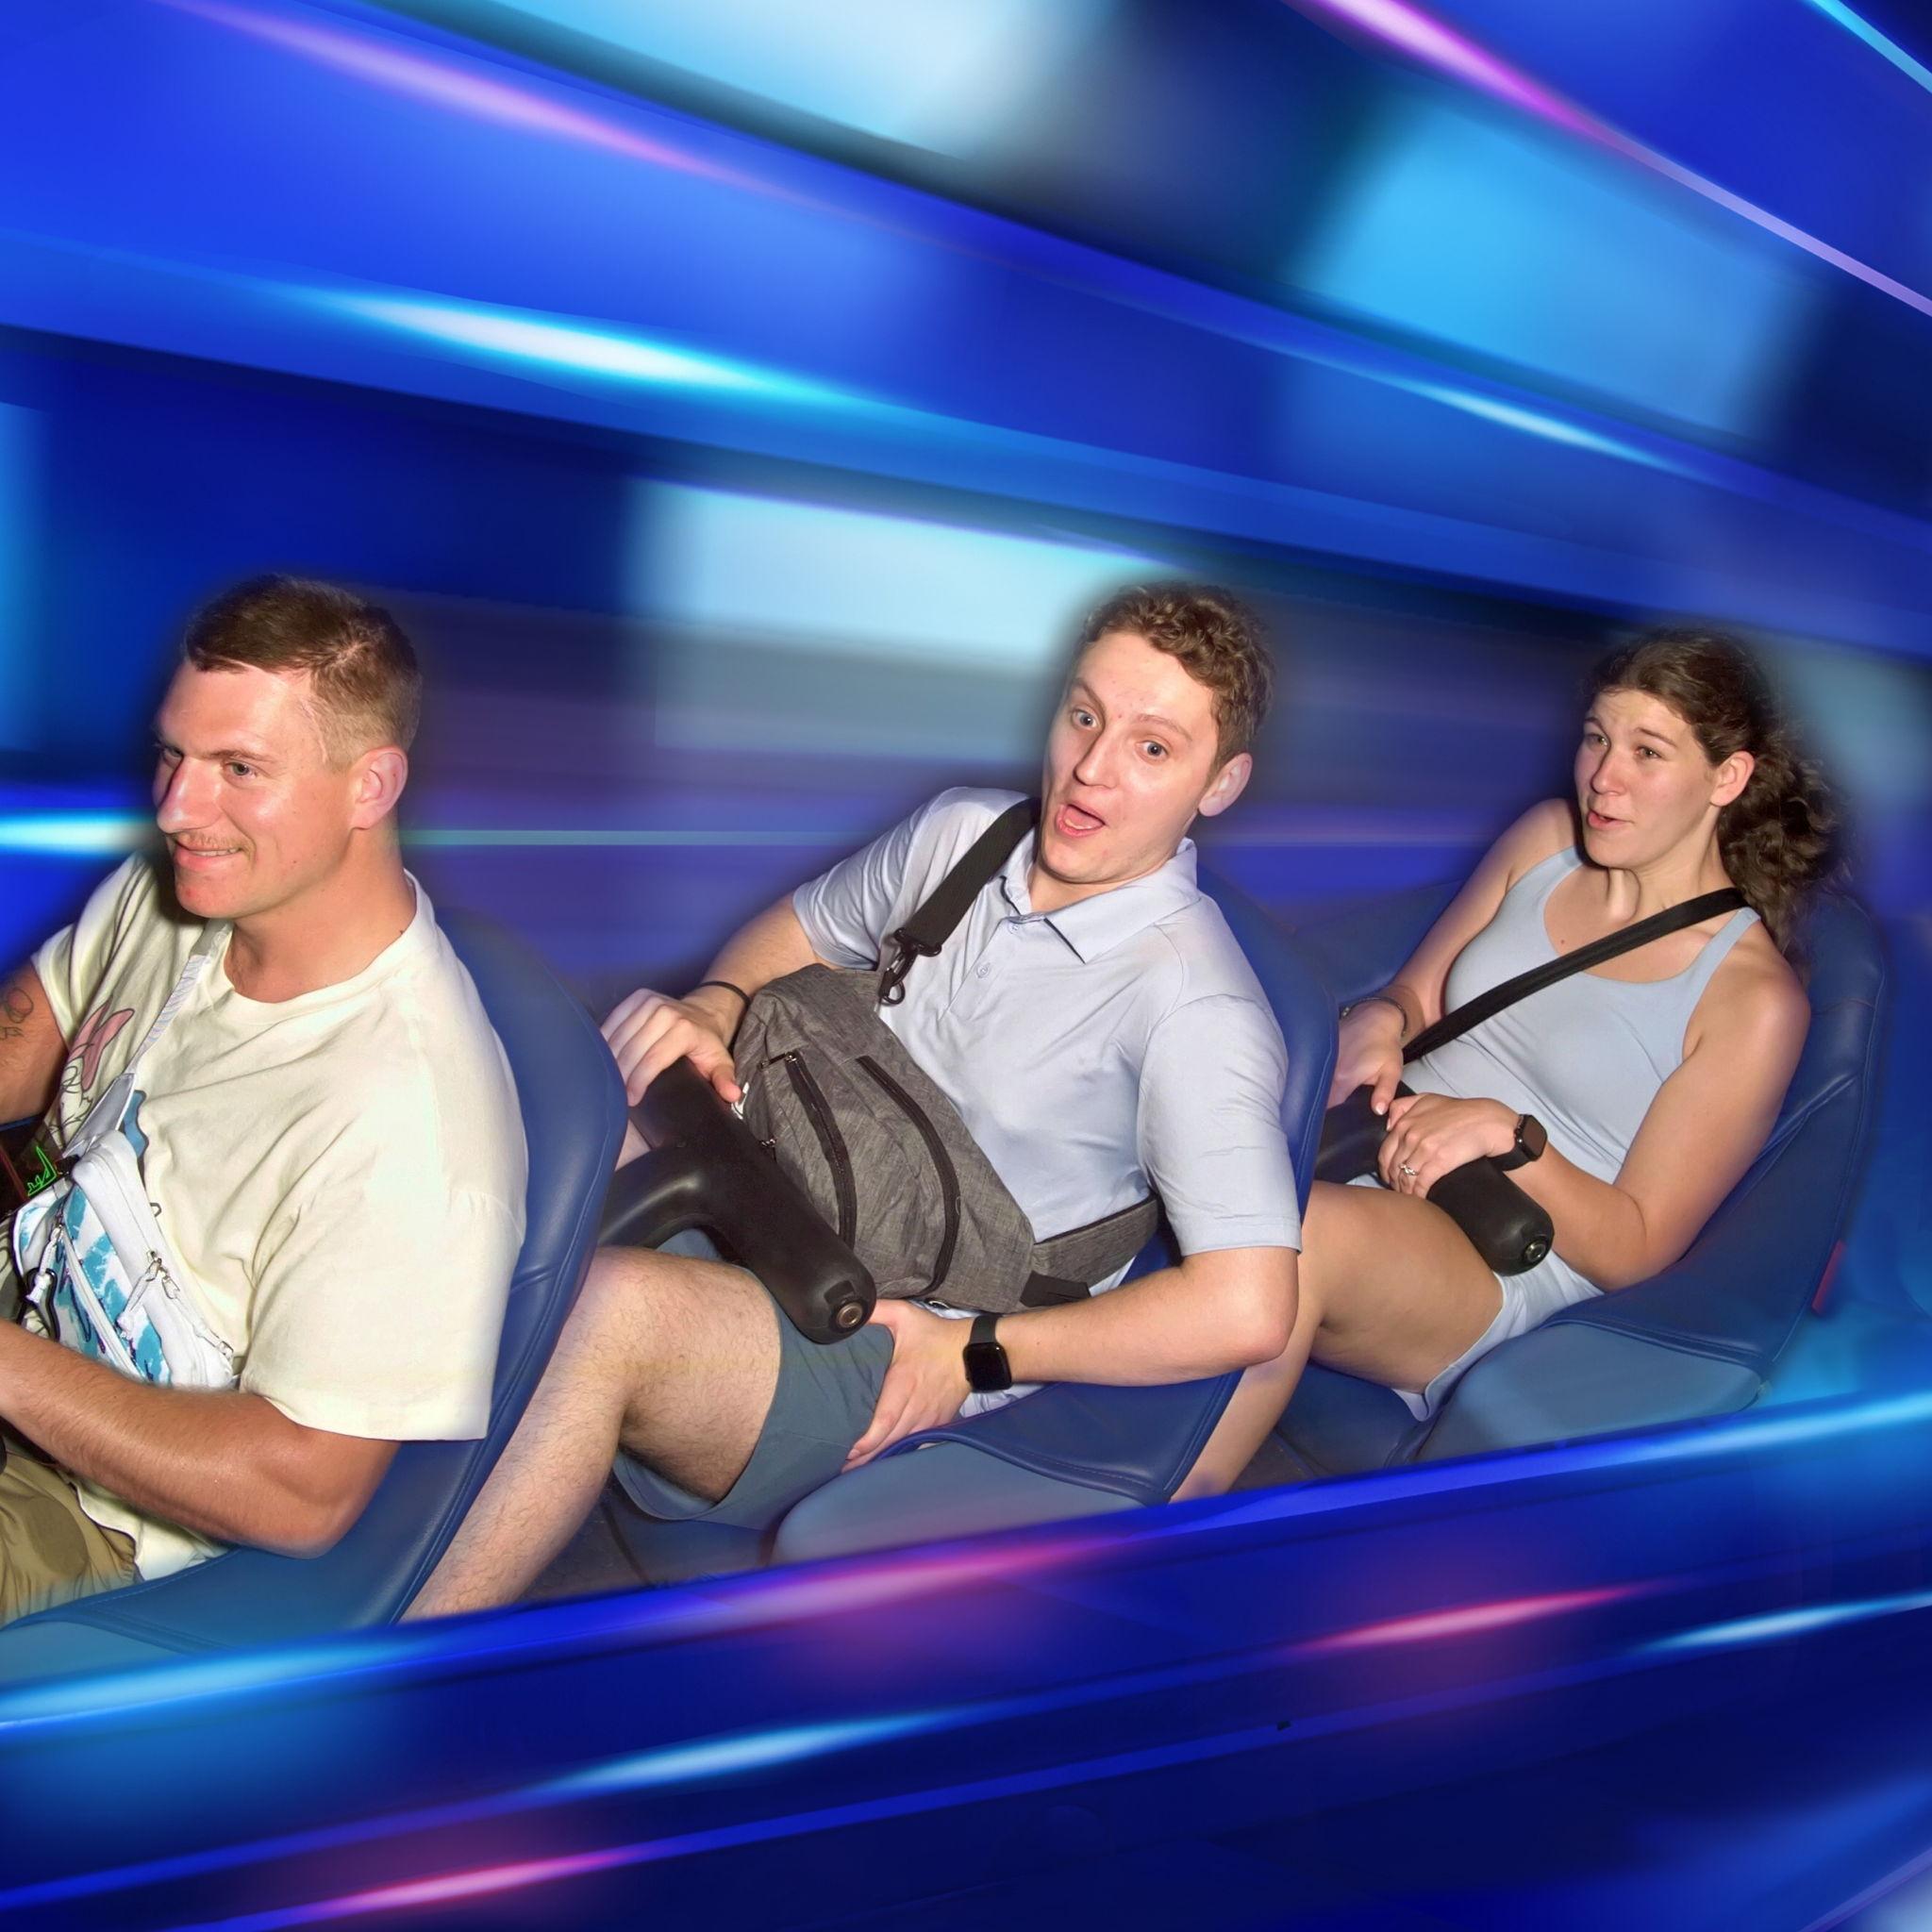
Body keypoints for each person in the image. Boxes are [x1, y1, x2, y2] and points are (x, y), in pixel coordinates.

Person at [413, 582, 1301, 1614]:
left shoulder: (1195, 1007)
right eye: (1084, 716)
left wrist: (973, 1353)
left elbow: (1249, 1307)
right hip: (785, 1184)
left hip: (895, 1338)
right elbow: (795, 933)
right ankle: (342, 1437)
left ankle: (398, 1668)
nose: (1092, 769)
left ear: (1220, 783)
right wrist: (712, 1006)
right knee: (552, 1112)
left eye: (1153, 747)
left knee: (603, 1314)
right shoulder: (966, 834)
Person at [1181, 626, 1836, 1486]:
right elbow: (1418, 996)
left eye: (1648, 752)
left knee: (1288, 1238)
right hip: (1375, 1147)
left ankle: (1154, 1521)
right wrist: (1381, 1017)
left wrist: (1512, 1137)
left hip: (1499, 1248)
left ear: (1728, 778)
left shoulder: (1752, 999)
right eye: (1597, 738)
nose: (1604, 777)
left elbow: (1638, 1247)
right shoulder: (1545, 841)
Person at [0, 576, 526, 1625]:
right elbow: (32, 1027)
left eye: (239, 769)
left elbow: (303, 1495)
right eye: (174, 755)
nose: (177, 809)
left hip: (95, 1509)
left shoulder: (411, 1121)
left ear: (371, 785)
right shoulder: (187, 888)